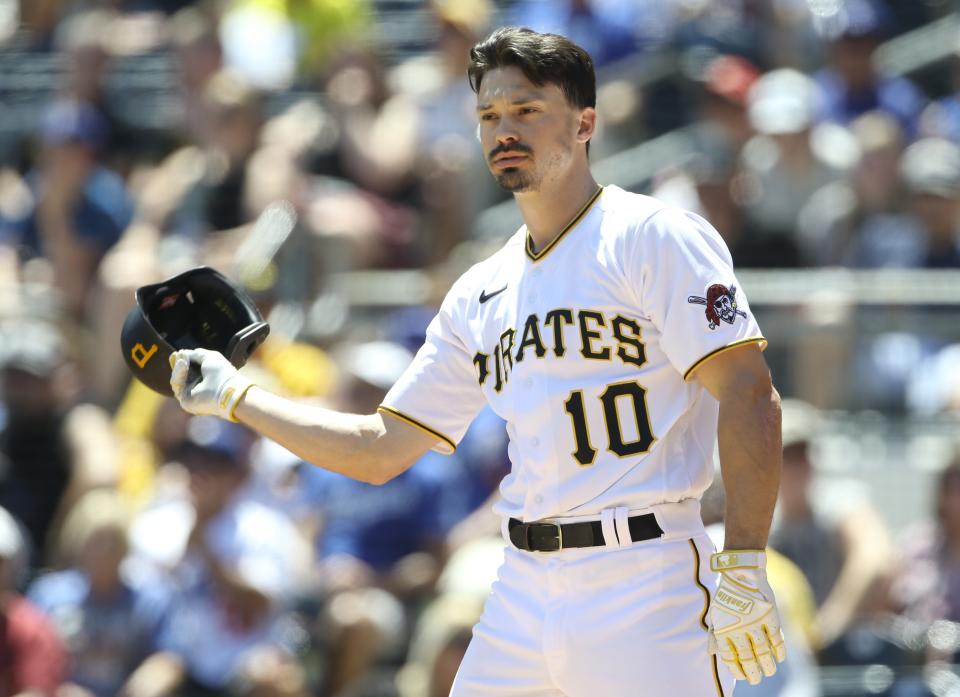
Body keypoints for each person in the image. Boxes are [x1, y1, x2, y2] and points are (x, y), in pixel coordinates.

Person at [170, 27, 786, 695]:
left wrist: (745, 561)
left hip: (644, 573)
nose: (504, 129)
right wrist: (236, 396)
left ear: (586, 123)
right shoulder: (480, 290)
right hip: (522, 582)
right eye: (489, 115)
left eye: (526, 110)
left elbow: (750, 391)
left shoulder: (651, 235)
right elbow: (380, 448)